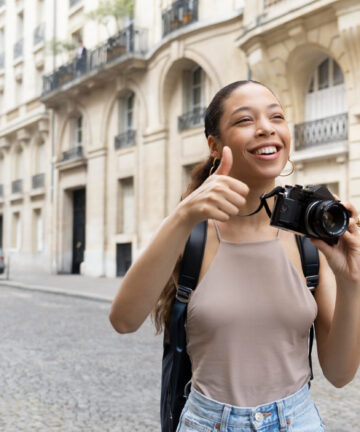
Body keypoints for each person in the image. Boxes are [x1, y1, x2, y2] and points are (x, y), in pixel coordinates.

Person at [109, 80, 360, 431]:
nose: (266, 128)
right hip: (209, 422)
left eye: (277, 117)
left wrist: (352, 283)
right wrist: (182, 216)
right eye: (245, 120)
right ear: (215, 145)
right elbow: (123, 320)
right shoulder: (191, 233)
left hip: (298, 421)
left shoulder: (310, 242)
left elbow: (339, 373)